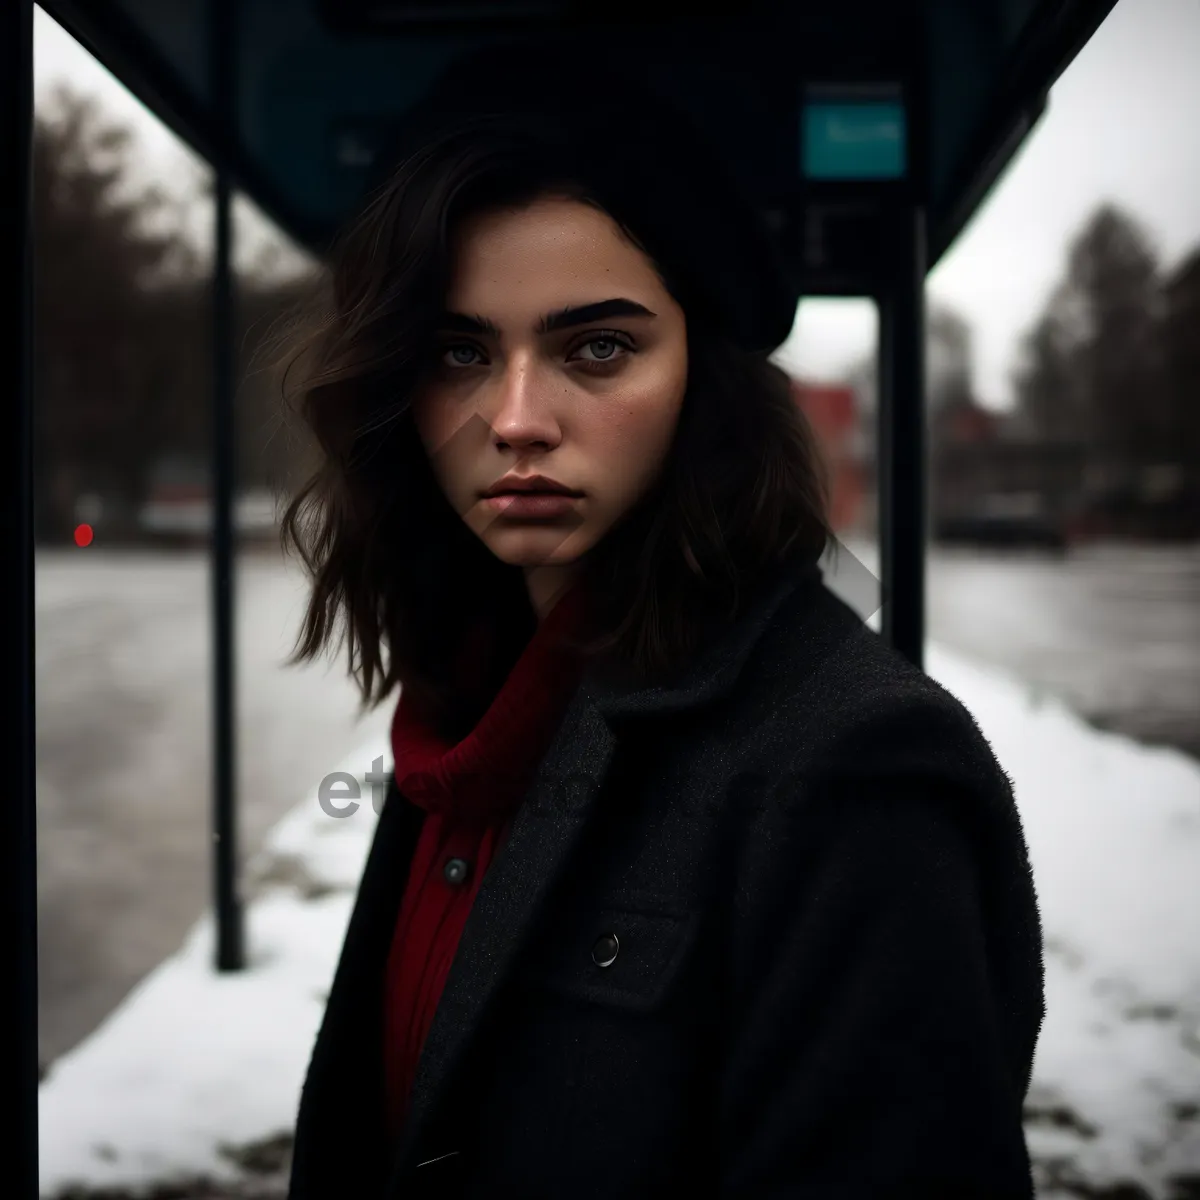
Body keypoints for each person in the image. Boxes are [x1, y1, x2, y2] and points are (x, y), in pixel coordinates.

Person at [276, 34, 1045, 1200]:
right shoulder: (464, 711)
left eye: (596, 348)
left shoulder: (856, 765)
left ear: (703, 377)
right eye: (458, 351)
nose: (517, 417)